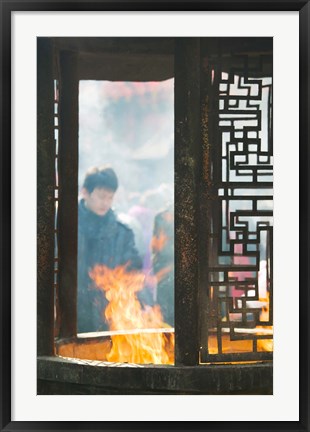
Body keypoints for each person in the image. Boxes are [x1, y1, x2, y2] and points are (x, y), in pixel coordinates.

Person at [77, 166, 142, 333]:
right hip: (71, 313)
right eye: (101, 197)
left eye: (110, 198)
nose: (105, 202)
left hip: (108, 314)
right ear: (85, 192)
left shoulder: (122, 233)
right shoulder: (64, 225)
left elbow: (133, 270)